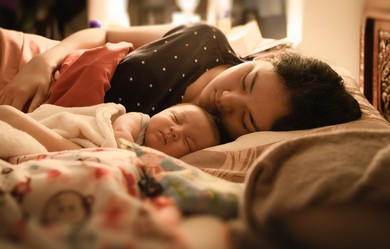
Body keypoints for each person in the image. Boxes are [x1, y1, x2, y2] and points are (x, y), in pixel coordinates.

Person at [0, 23, 362, 139]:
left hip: (30, 118)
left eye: (247, 119)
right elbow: (103, 33)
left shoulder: (198, 139)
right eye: (248, 81)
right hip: (32, 57)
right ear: (265, 59)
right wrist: (42, 63)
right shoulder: (207, 40)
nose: (228, 100)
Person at [0, 103, 220, 158]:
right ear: (165, 110)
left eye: (187, 142)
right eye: (175, 118)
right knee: (9, 115)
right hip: (95, 142)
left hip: (85, 153)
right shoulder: (142, 120)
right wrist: (124, 146)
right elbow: (122, 127)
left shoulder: (156, 160)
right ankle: (12, 119)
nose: (174, 131)